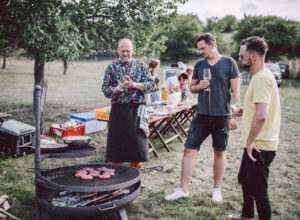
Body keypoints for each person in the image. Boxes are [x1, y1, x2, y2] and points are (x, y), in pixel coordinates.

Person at [165, 33, 240, 202]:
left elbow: (235, 91)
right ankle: (183, 189)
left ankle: (216, 189)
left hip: (222, 115)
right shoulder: (199, 65)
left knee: (219, 152)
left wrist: (234, 114)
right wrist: (199, 86)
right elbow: (191, 88)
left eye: (203, 48)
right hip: (202, 115)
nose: (200, 51)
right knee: (188, 149)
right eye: (199, 49)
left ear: (212, 44)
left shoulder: (229, 63)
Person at [231, 36, 281, 220]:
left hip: (259, 145)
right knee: (245, 180)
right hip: (255, 144)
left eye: (241, 55)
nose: (239, 58)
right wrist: (245, 110)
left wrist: (250, 141)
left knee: (259, 191)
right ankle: (247, 216)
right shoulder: (261, 76)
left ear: (253, 57)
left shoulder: (261, 78)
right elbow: (259, 109)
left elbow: (261, 115)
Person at [101, 38, 155, 169]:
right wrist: (119, 89)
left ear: (133, 50)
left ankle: (135, 180)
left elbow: (151, 85)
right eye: (122, 51)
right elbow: (106, 90)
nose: (125, 53)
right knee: (116, 150)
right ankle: (117, 181)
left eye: (128, 51)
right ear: (118, 51)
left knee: (136, 150)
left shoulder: (141, 66)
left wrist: (134, 85)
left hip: (137, 111)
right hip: (118, 111)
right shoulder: (111, 67)